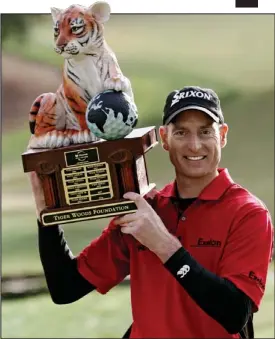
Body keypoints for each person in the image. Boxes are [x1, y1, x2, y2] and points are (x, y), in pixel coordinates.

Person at [30, 85, 273, 339]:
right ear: (164, 138)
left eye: (205, 132)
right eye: (181, 133)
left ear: (222, 135)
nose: (194, 145)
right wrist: (47, 216)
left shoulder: (248, 214)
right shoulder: (146, 209)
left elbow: (235, 313)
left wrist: (163, 245)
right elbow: (65, 288)